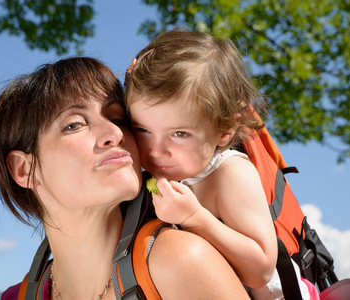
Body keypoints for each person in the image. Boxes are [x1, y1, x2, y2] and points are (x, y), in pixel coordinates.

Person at [0, 57, 251, 299]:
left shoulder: (179, 263)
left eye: (118, 119)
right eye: (74, 124)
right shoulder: (17, 297)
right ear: (23, 169)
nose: (114, 132)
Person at [124, 29, 309, 299]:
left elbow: (261, 270)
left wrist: (193, 217)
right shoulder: (157, 176)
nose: (156, 150)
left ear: (225, 131)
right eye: (142, 129)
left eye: (179, 134)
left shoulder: (230, 173)